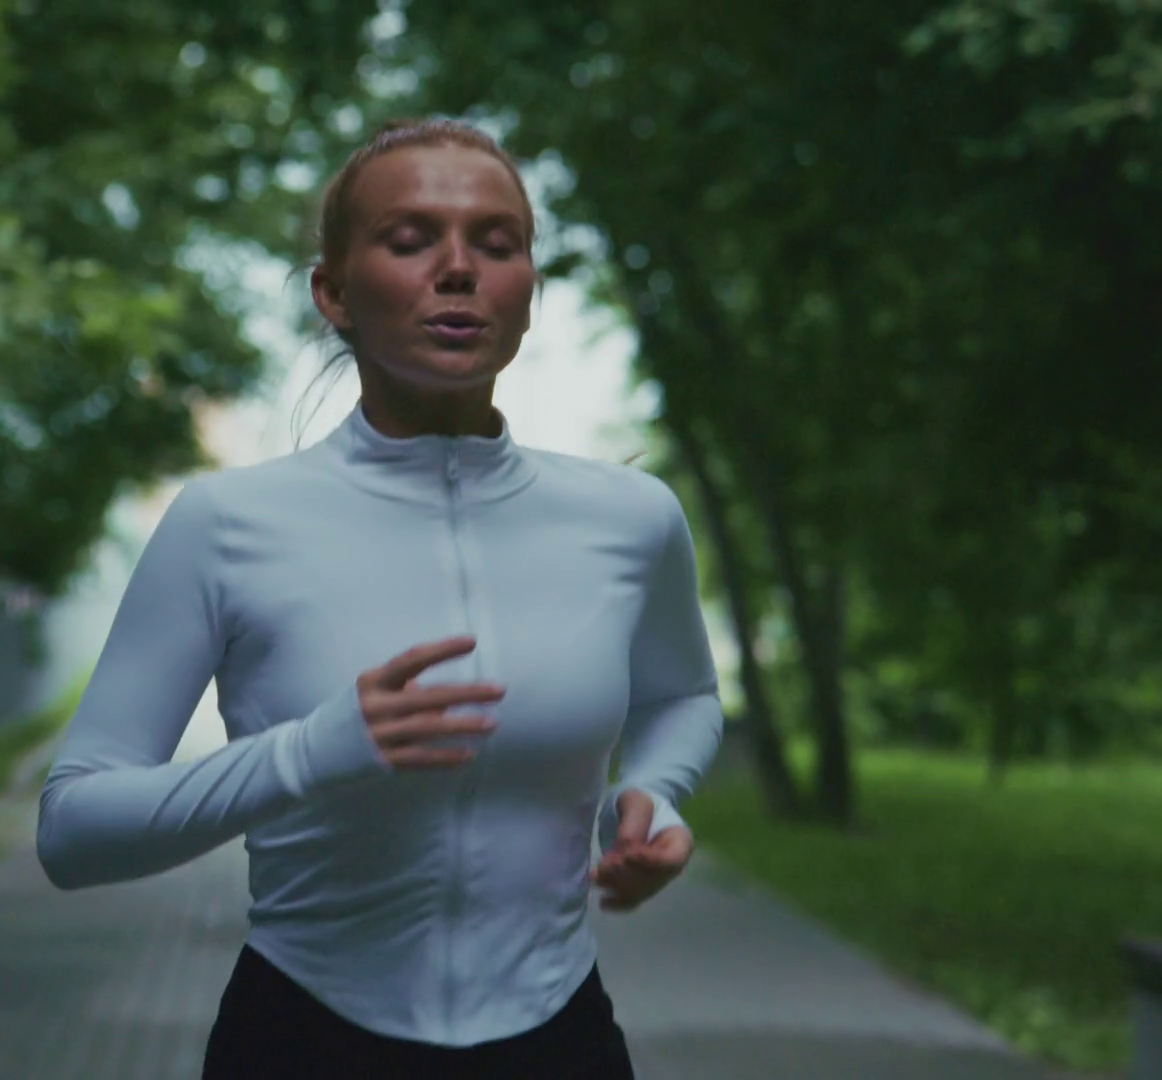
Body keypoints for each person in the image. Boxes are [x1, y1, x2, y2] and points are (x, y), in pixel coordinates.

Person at [36, 118, 726, 1080]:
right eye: (410, 241)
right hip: (304, 1035)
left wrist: (651, 796)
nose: (459, 270)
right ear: (333, 293)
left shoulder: (631, 518)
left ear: (529, 291)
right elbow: (73, 831)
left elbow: (682, 696)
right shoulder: (226, 523)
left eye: (498, 244)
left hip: (557, 1034)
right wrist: (310, 752)